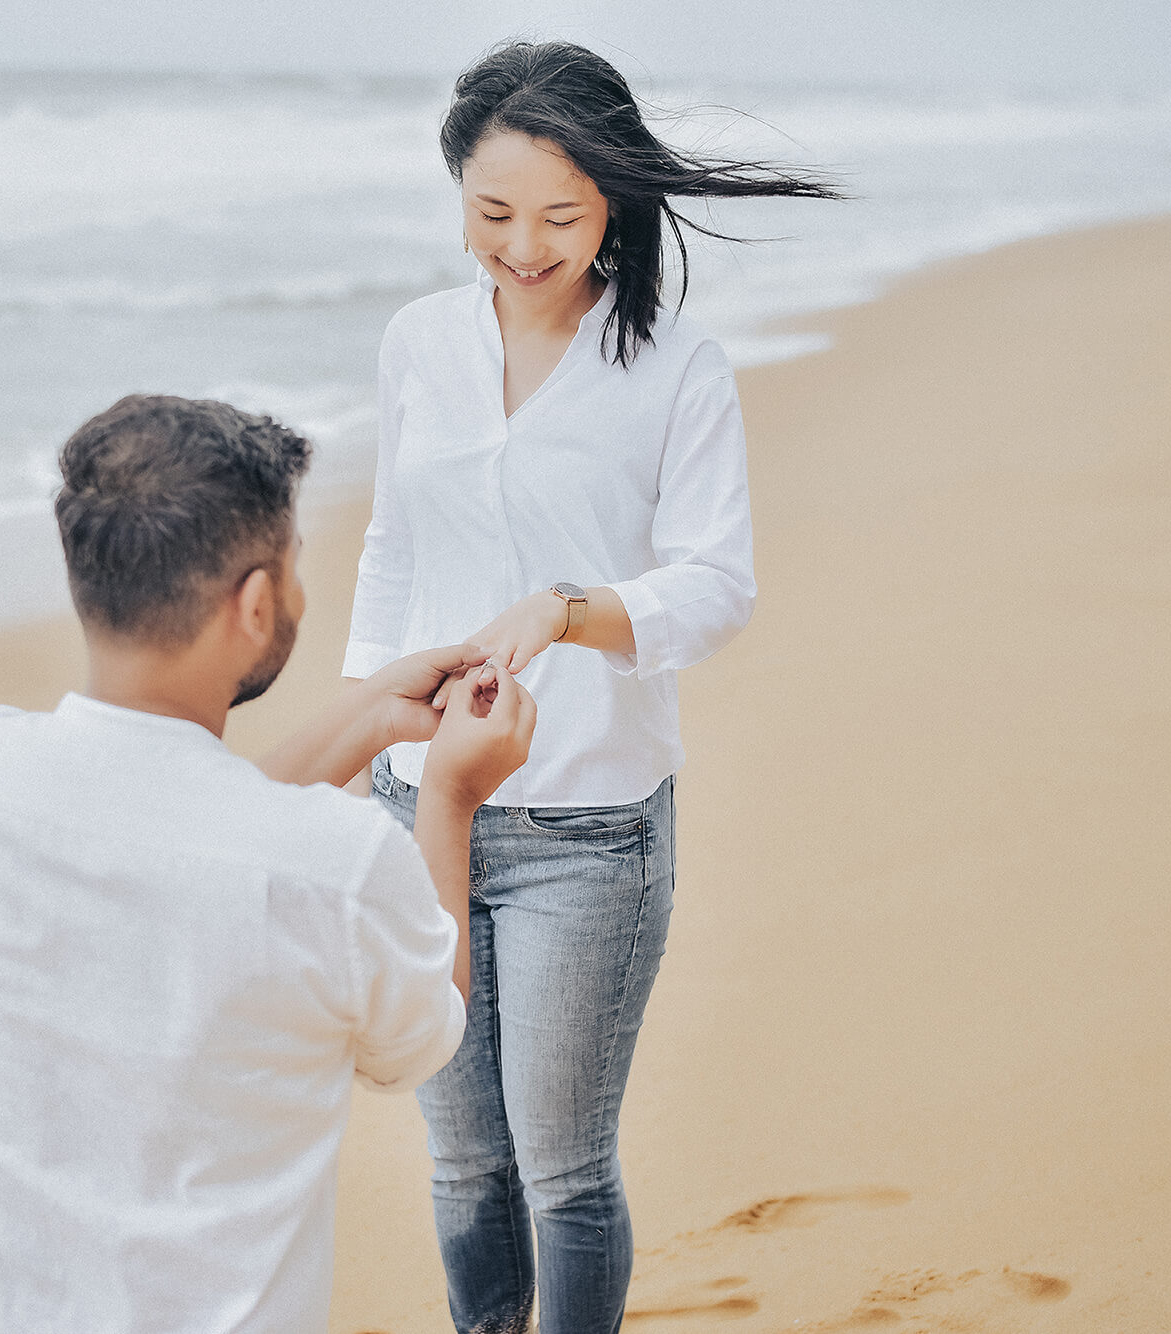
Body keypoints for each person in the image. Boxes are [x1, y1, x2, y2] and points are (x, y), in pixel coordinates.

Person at [344, 42, 840, 1334]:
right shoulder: (415, 344)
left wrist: (571, 609)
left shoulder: (677, 367)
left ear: (613, 201)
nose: (523, 244)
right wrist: (359, 744)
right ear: (457, 194)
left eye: (560, 216)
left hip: (589, 827)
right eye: (494, 212)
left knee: (561, 1164)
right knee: (462, 1158)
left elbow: (717, 586)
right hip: (419, 812)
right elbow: (392, 545)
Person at [0, 394, 535, 1332]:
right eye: (295, 568)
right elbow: (425, 1035)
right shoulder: (337, 866)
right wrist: (449, 798)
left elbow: (181, 834)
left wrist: (372, 720)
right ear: (258, 603)